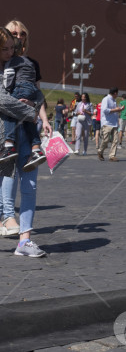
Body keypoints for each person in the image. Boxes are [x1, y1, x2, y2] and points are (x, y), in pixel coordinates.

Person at [0, 24, 51, 256]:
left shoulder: (28, 65)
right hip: (4, 136)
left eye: (19, 36)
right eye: (9, 42)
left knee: (30, 186)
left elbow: (38, 94)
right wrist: (29, 112)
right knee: (6, 183)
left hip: (28, 134)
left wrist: (36, 108)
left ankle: (25, 241)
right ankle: (7, 220)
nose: (15, 43)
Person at [98, 87, 124, 162]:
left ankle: (112, 156)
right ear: (115, 93)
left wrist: (119, 109)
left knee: (115, 140)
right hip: (107, 122)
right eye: (117, 93)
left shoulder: (114, 100)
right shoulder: (106, 99)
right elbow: (105, 110)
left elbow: (114, 110)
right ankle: (100, 151)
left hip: (114, 122)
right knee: (106, 140)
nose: (117, 95)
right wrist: (117, 109)